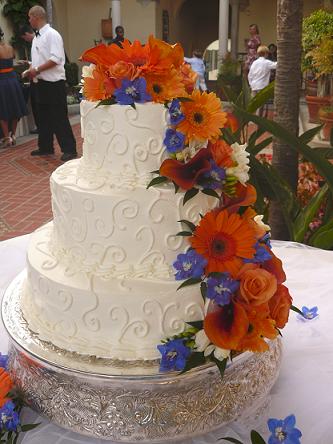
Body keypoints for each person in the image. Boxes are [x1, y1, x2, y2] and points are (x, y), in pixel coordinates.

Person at [24, 5, 77, 161]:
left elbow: (56, 59)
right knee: (43, 117)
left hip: (53, 84)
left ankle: (69, 149)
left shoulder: (52, 35)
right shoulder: (37, 38)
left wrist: (37, 69)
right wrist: (31, 68)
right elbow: (38, 59)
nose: (29, 20)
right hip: (39, 83)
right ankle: (45, 147)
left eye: (30, 17)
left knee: (59, 117)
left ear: (36, 17)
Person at [0, 27, 27, 148]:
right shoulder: (10, 47)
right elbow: (13, 59)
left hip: (2, 80)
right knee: (14, 107)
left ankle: (6, 138)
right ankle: (13, 135)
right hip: (12, 79)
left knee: (3, 109)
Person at [19, 24, 39, 134]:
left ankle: (40, 126)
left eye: (24, 38)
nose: (25, 40)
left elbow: (40, 62)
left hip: (38, 78)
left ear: (26, 34)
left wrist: (28, 71)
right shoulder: (35, 41)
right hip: (35, 77)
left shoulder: (37, 41)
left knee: (37, 105)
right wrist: (28, 63)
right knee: (35, 105)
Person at [248, 45, 277, 117]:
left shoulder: (254, 63)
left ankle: (251, 120)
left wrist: (251, 84)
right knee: (260, 106)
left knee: (253, 105)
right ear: (266, 53)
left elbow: (250, 75)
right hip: (262, 86)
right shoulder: (267, 62)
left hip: (254, 86)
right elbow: (277, 65)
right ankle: (258, 121)